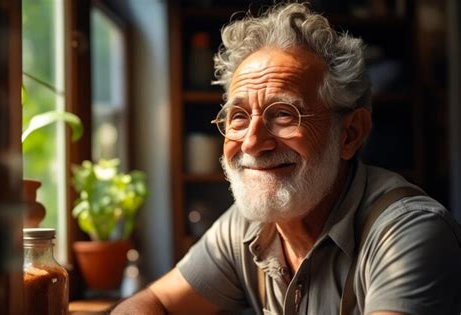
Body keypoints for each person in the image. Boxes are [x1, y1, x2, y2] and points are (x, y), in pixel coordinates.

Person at [112, 3, 461, 314]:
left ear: (350, 134)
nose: (251, 142)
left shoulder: (408, 231)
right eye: (237, 117)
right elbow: (152, 302)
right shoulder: (245, 228)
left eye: (283, 115)